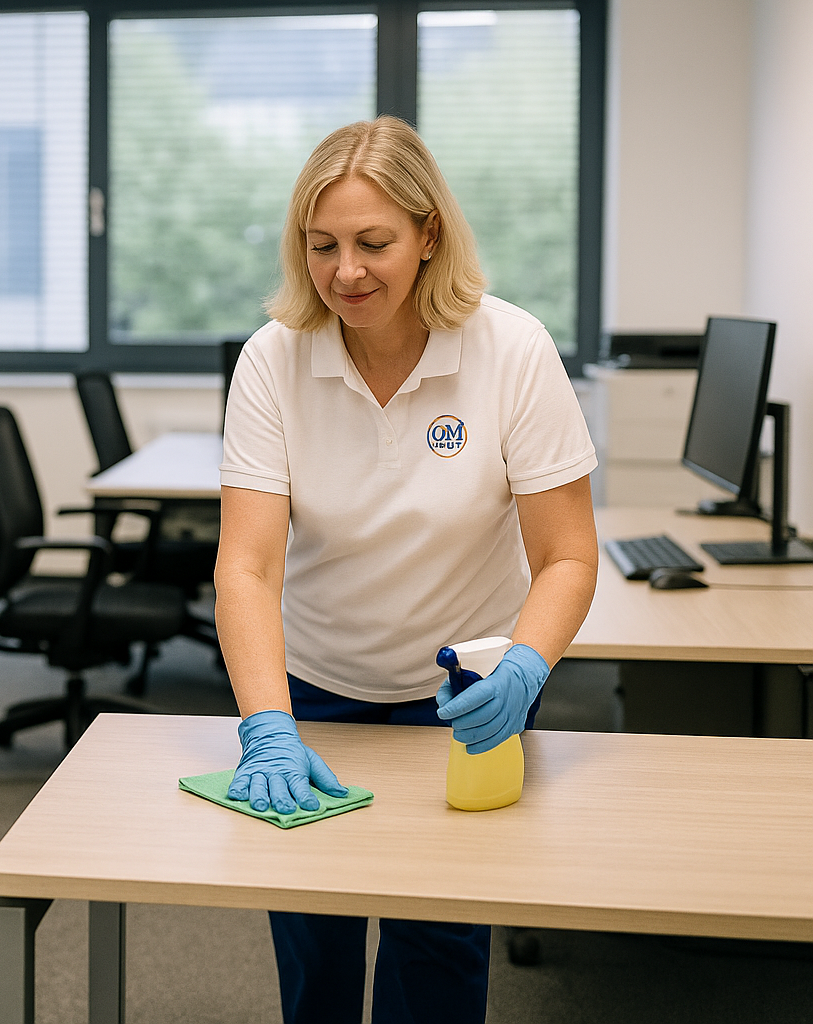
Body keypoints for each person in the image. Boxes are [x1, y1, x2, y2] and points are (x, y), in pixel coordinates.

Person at [215, 115, 598, 1024]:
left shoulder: (513, 350)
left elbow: (567, 555)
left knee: (439, 939)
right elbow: (248, 568)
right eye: (323, 246)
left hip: (470, 690)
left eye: (374, 242)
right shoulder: (273, 360)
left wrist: (526, 666)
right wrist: (266, 723)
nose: (346, 272)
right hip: (315, 687)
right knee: (314, 932)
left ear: (429, 235)